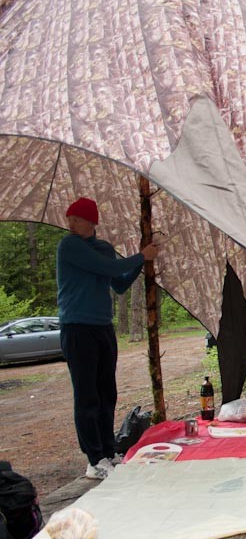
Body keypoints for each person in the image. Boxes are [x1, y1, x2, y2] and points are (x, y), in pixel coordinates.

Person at [57, 197, 159, 480]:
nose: (70, 224)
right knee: (87, 393)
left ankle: (108, 451)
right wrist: (142, 256)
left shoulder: (103, 248)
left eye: (75, 219)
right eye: (70, 219)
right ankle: (93, 459)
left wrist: (140, 261)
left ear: (90, 221)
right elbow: (107, 269)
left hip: (102, 327)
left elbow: (120, 283)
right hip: (77, 327)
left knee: (106, 392)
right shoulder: (69, 246)